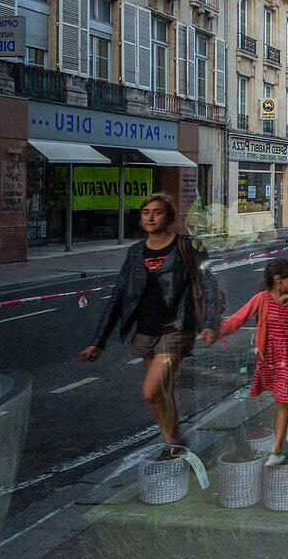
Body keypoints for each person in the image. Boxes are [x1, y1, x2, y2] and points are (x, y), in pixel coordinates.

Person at [81, 192, 218, 454]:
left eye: (157, 212)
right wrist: (98, 341)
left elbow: (209, 284)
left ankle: (173, 443)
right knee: (164, 392)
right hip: (145, 332)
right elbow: (118, 297)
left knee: (151, 392)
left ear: (168, 216)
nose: (151, 217)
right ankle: (176, 446)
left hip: (176, 328)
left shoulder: (189, 246)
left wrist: (210, 323)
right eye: (146, 212)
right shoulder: (135, 253)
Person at [218, 258, 288, 466]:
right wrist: (217, 330)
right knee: (280, 399)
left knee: (281, 403)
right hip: (271, 358)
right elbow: (239, 318)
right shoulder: (262, 299)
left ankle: (275, 450)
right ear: (278, 279)